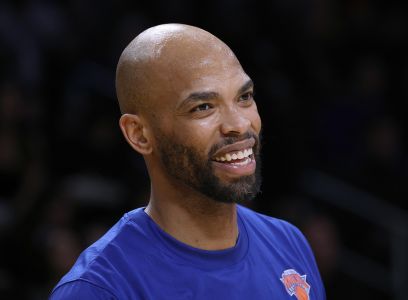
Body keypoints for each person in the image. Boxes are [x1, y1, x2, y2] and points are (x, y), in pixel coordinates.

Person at [50, 24, 325, 299]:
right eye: (203, 107)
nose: (240, 125)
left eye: (244, 97)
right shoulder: (99, 289)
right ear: (139, 134)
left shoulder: (289, 242)